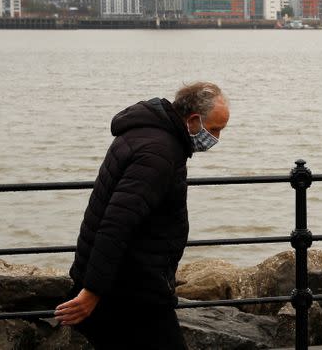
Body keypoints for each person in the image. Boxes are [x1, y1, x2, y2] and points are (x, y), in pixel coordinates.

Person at [54, 82, 230, 349]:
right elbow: (116, 224)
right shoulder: (159, 154)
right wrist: (92, 292)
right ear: (193, 120)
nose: (216, 137)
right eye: (215, 129)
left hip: (130, 281)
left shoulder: (148, 135)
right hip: (132, 288)